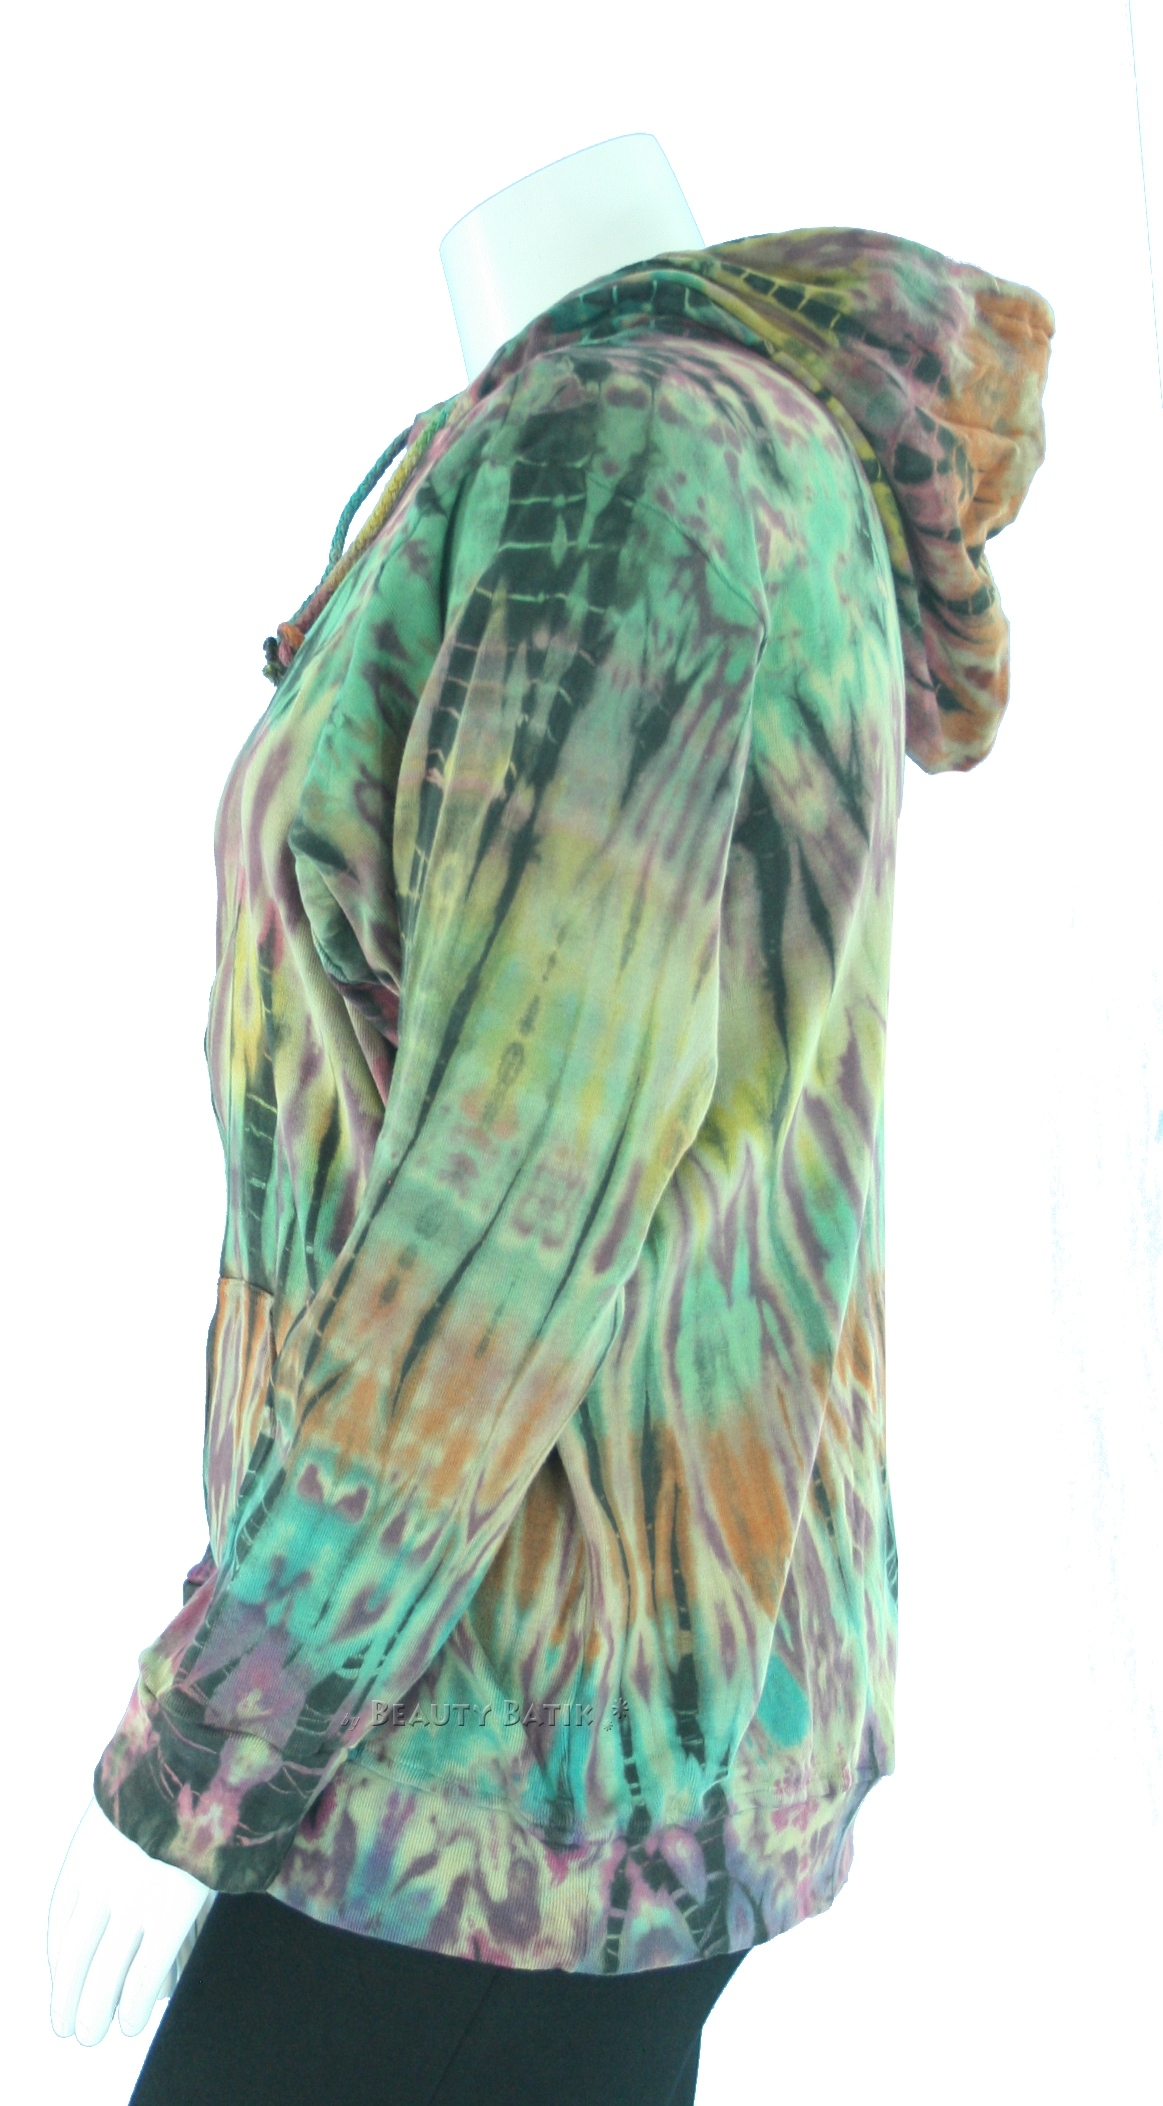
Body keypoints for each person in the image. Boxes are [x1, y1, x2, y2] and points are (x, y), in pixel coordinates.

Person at [46, 132, 1054, 2104]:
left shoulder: (623, 466)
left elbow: (510, 1199)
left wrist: (204, 1753)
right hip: (558, 1704)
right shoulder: (717, 458)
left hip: (496, 1769)